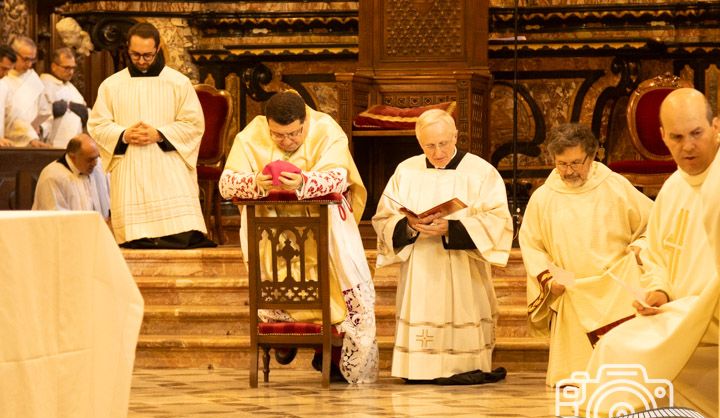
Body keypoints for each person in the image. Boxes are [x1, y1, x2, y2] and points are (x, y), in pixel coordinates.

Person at [579, 88, 719, 418]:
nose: (687, 146)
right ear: (662, 137)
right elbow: (657, 255)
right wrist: (657, 292)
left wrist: (695, 307)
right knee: (615, 344)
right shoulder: (673, 188)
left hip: (711, 316)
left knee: (631, 351)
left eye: (696, 133)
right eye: (677, 137)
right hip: (682, 310)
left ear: (716, 127)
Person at [218, 90, 378, 384]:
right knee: (279, 282)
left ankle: (334, 355)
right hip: (271, 231)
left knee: (335, 287)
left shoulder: (326, 129)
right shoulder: (250, 135)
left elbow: (339, 177)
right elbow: (226, 184)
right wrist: (255, 182)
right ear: (267, 124)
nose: (287, 141)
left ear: (306, 121)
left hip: (324, 230)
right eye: (278, 135)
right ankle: (285, 338)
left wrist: (304, 181)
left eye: (294, 133)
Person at [372, 109, 513, 383]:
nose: (438, 152)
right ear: (419, 142)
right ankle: (418, 369)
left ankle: (463, 365)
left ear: (456, 136)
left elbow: (498, 220)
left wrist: (452, 228)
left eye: (443, 143)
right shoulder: (406, 171)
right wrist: (409, 225)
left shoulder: (481, 172)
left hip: (463, 267)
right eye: (429, 145)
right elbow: (383, 218)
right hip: (420, 266)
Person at [518, 123, 653, 386]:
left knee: (622, 376)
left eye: (576, 163)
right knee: (576, 377)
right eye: (562, 164)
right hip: (571, 288)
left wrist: (640, 247)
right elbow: (532, 245)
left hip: (615, 286)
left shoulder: (614, 186)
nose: (569, 171)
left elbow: (655, 223)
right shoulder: (543, 197)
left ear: (591, 157)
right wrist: (548, 279)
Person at [88, 22, 212, 248]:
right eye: (136, 54)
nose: (142, 60)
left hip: (168, 158)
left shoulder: (178, 82)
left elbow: (194, 124)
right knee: (135, 239)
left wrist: (159, 133)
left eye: (148, 55)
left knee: (182, 234)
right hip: (130, 160)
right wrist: (124, 134)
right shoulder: (111, 85)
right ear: (127, 49)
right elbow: (97, 125)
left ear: (158, 49)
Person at [32, 133, 110, 221]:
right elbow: (54, 217)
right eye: (90, 160)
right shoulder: (52, 176)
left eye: (96, 158)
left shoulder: (99, 166)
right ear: (73, 157)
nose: (94, 163)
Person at [1, 36, 51, 147]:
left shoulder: (34, 81)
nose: (29, 64)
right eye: (25, 59)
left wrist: (32, 136)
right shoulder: (4, 80)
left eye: (32, 60)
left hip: (20, 143)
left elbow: (14, 118)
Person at [40, 47, 88, 148]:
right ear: (54, 66)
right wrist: (53, 110)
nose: (71, 72)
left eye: (73, 68)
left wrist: (86, 114)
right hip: (51, 146)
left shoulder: (73, 89)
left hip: (75, 146)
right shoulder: (43, 86)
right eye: (66, 68)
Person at [0, 46, 16, 146]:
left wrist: (31, 138)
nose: (6, 74)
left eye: (8, 70)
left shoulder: (3, 87)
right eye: (3, 69)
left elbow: (11, 118)